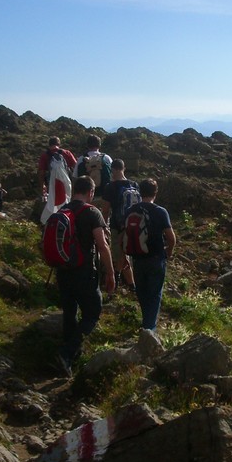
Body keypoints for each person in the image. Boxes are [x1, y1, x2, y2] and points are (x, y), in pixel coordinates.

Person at [55, 175, 116, 376]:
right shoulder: (92, 212)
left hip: (62, 271)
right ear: (90, 192)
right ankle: (65, 353)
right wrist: (110, 272)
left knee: (70, 313)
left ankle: (67, 359)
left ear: (74, 191)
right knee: (91, 313)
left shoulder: (62, 211)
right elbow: (102, 244)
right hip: (85, 273)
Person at [126, 178, 176, 332]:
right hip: (156, 258)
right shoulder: (160, 211)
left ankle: (146, 323)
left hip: (137, 258)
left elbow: (124, 234)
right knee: (154, 295)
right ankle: (149, 330)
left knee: (142, 292)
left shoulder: (131, 210)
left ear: (140, 192)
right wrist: (168, 251)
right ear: (156, 192)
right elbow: (171, 238)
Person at [101, 159, 139, 292]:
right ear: (124, 169)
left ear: (114, 170)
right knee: (125, 255)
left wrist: (103, 226)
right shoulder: (134, 185)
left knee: (119, 255)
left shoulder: (110, 187)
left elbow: (105, 210)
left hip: (118, 226)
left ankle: (115, 282)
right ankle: (132, 285)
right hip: (134, 227)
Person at [37, 136, 77, 225]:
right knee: (66, 201)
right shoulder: (66, 153)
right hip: (66, 184)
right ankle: (66, 221)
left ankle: (51, 223)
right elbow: (75, 168)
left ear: (49, 145)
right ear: (59, 144)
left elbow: (41, 173)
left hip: (52, 185)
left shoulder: (45, 155)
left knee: (52, 203)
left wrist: (42, 187)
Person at [73, 134, 112, 199]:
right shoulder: (107, 158)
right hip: (103, 196)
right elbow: (112, 176)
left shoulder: (81, 159)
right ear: (99, 145)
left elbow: (75, 177)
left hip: (85, 196)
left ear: (88, 145)